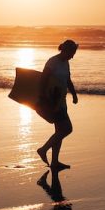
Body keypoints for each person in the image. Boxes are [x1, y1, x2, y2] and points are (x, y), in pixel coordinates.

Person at [36, 39, 78, 170]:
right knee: (67, 129)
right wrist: (43, 97)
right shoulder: (52, 61)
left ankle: (54, 162)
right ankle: (43, 150)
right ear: (66, 50)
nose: (73, 56)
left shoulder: (65, 63)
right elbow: (43, 79)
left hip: (62, 101)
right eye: (72, 52)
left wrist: (74, 94)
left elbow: (68, 80)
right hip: (53, 101)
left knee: (59, 131)